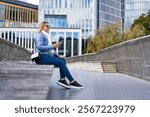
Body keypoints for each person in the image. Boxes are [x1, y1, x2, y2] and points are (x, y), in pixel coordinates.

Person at [34, 21, 83, 89]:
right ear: (42, 26)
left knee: (63, 60)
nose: (48, 27)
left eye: (49, 26)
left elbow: (50, 50)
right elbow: (40, 47)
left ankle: (62, 80)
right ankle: (72, 81)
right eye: (47, 25)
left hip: (46, 56)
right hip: (41, 57)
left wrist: (57, 55)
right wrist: (53, 46)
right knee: (61, 62)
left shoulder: (46, 36)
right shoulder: (40, 35)